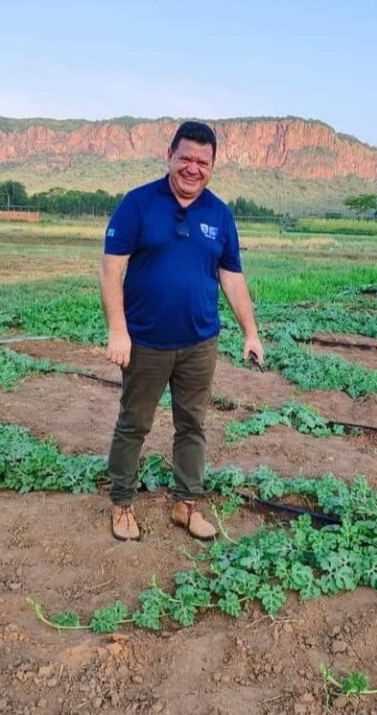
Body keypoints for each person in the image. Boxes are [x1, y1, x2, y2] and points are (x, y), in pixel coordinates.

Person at [99, 120, 264, 542]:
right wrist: (118, 330)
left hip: (199, 343)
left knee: (192, 425)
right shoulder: (137, 204)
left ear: (213, 166)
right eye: (185, 158)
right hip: (146, 342)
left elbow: (232, 277)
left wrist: (251, 332)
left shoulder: (219, 214)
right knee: (134, 424)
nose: (193, 168)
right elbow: (111, 269)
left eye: (202, 161)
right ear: (169, 157)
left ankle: (186, 504)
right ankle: (122, 504)